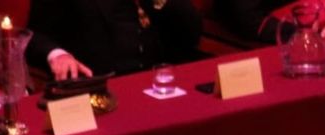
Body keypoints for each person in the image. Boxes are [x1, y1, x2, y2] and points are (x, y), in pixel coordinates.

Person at [25, 0, 200, 80]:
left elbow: (191, 36)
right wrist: (58, 55)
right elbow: (33, 36)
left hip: (159, 81)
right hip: (98, 89)